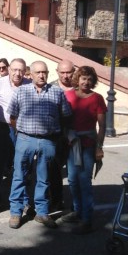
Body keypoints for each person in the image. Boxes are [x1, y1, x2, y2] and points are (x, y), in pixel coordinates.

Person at [7, 60, 72, 229]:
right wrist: (21, 133)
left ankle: (42, 212)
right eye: (38, 72)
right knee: (19, 175)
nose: (41, 75)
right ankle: (15, 212)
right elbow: (12, 117)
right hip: (25, 139)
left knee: (43, 178)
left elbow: (66, 115)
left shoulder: (57, 93)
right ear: (31, 74)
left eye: (44, 72)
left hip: (48, 140)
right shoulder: (21, 91)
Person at [62, 66, 106, 234]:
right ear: (77, 79)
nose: (86, 82)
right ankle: (77, 210)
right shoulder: (68, 95)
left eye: (89, 79)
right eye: (83, 78)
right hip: (72, 143)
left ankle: (87, 218)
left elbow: (102, 126)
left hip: (88, 145)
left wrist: (99, 147)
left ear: (93, 81)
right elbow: (64, 119)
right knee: (72, 179)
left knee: (84, 181)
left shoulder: (98, 99)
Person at [0, 58, 30, 215]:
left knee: (21, 165)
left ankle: (24, 201)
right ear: (9, 70)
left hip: (23, 130)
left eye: (21, 70)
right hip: (2, 129)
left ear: (25, 71)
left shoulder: (29, 85)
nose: (17, 73)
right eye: (14, 70)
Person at [47, 59, 76, 211]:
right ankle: (56, 200)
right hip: (55, 137)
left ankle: (77, 205)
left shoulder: (80, 89)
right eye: (62, 72)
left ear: (74, 72)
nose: (65, 76)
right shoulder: (50, 87)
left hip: (74, 137)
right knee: (54, 171)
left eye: (68, 72)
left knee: (75, 173)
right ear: (57, 71)